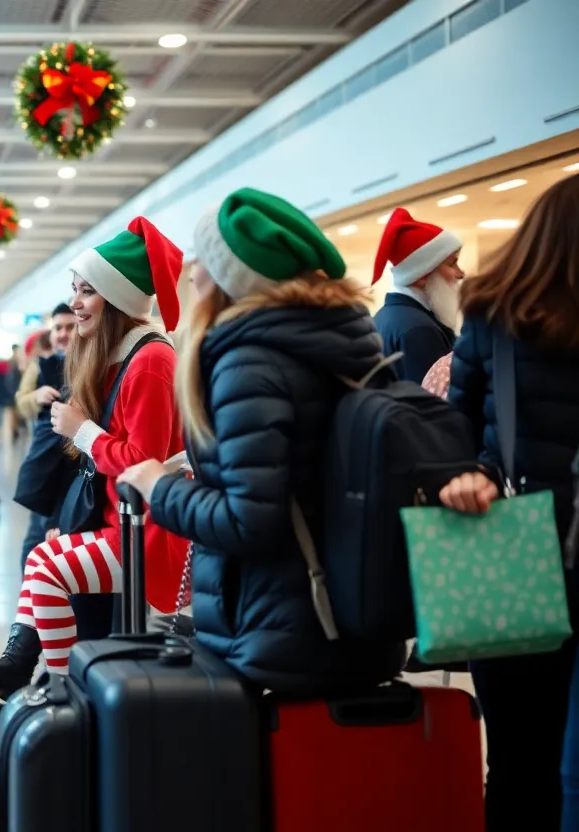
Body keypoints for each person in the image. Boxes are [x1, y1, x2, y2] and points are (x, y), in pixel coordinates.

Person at [117, 188, 406, 697]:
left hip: (279, 631)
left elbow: (248, 519)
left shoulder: (250, 362)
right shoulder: (346, 345)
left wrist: (158, 486)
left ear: (230, 278)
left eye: (202, 261)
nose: (192, 273)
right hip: (350, 616)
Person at [0, 217, 188, 708]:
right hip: (121, 524)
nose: (75, 304)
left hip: (150, 533)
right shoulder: (123, 357)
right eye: (76, 290)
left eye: (87, 293)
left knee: (48, 568)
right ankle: (37, 680)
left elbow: (142, 466)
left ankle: (58, 694)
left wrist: (82, 429)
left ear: (119, 299)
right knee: (41, 556)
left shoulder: (150, 361)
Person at [434, 174, 579, 832]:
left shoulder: (490, 316)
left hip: (514, 556)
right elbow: (455, 435)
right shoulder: (496, 318)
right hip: (518, 560)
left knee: (526, 763)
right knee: (525, 758)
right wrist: (472, 475)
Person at [14, 303, 77, 561]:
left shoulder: (92, 363)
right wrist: (35, 397)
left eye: (70, 326)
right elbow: (21, 402)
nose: (63, 333)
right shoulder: (41, 366)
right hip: (46, 462)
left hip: (76, 463)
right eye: (58, 328)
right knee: (36, 535)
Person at [372, 208, 464, 382]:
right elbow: (433, 404)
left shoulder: (386, 317)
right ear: (422, 275)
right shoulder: (419, 329)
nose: (460, 274)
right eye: (452, 264)